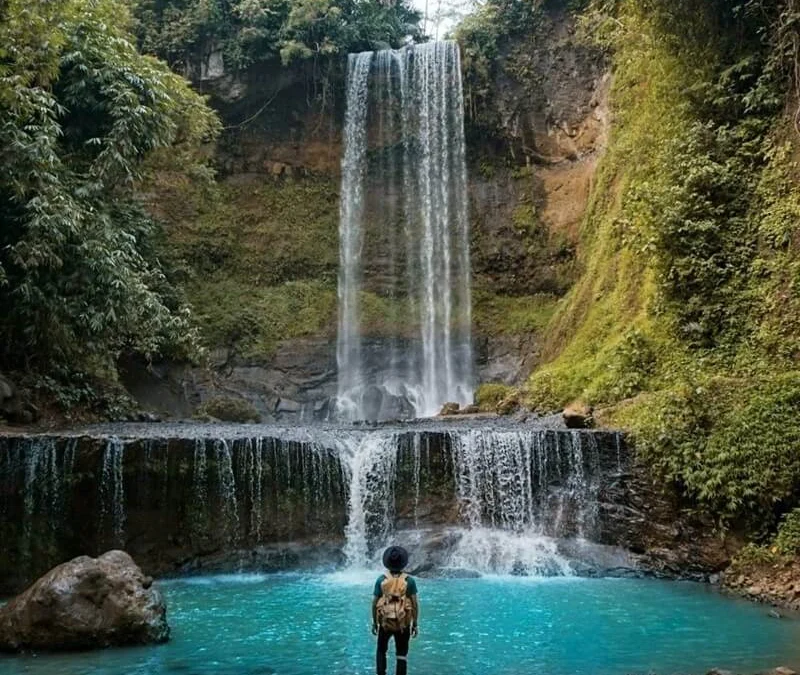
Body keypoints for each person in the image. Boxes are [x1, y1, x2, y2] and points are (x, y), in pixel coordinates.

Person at [371, 546, 419, 675]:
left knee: (381, 650)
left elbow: (375, 603)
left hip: (385, 623)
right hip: (403, 623)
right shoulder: (409, 581)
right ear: (403, 563)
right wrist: (415, 624)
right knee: (401, 654)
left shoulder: (381, 580)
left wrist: (375, 623)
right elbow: (414, 604)